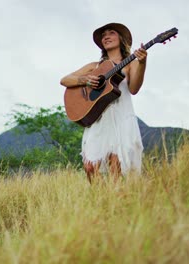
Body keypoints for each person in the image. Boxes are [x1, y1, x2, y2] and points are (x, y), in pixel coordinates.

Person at [60, 23, 147, 183]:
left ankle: (115, 204)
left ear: (121, 39)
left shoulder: (131, 63)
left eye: (111, 33)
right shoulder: (95, 66)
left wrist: (142, 63)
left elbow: (134, 89)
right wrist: (85, 79)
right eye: (103, 35)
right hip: (99, 119)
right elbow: (65, 80)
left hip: (120, 117)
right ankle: (100, 198)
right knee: (90, 167)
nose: (106, 36)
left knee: (116, 167)